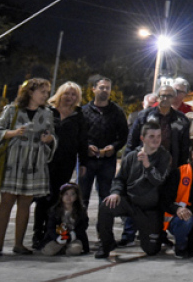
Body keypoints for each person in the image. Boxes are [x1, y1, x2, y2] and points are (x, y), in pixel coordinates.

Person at [0, 77, 57, 257]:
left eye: (47, 92)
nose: (45, 95)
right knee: (6, 202)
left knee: (26, 204)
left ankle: (19, 243)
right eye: (42, 91)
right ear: (30, 92)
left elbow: (52, 136)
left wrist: (49, 140)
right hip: (14, 161)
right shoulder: (12, 110)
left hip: (35, 162)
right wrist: (13, 133)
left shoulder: (47, 113)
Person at [95, 122, 172, 258]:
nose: (156, 140)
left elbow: (159, 180)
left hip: (150, 208)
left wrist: (148, 166)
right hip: (130, 202)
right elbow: (119, 179)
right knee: (106, 206)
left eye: (159, 136)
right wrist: (115, 193)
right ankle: (106, 244)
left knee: (151, 250)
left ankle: (154, 236)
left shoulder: (164, 157)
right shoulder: (131, 156)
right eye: (152, 136)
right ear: (143, 138)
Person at [33, 81, 89, 250]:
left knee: (57, 199)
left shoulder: (79, 115)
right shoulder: (48, 111)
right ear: (60, 94)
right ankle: (37, 233)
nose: (70, 97)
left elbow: (82, 141)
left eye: (73, 95)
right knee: (42, 199)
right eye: (67, 94)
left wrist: (83, 163)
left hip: (66, 162)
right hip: (45, 160)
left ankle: (53, 235)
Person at [79, 75, 128, 208]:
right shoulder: (83, 111)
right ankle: (79, 227)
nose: (105, 90)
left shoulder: (117, 111)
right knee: (82, 197)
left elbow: (124, 135)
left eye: (108, 88)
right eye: (102, 87)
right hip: (87, 160)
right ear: (93, 89)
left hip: (107, 161)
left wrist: (113, 147)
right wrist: (86, 147)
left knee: (106, 197)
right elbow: (79, 135)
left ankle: (104, 228)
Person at [128, 84, 191, 167]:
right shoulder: (144, 116)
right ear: (157, 98)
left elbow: (184, 148)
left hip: (171, 165)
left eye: (169, 96)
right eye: (163, 96)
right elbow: (132, 141)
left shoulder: (182, 119)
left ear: (174, 98)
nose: (165, 99)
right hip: (145, 163)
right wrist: (128, 164)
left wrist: (182, 168)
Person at [40, 182, 89, 256]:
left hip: (74, 237)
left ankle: (65, 249)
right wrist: (58, 238)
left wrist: (72, 235)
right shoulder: (54, 210)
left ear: (76, 197)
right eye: (66, 194)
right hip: (58, 237)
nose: (69, 197)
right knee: (48, 251)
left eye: (72, 194)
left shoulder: (81, 211)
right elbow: (50, 227)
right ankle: (62, 248)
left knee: (76, 249)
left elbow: (83, 226)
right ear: (61, 195)